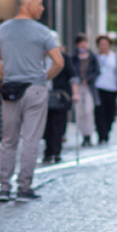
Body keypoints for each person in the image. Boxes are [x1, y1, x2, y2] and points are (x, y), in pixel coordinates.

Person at [0, 0, 63, 202]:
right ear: (28, 4)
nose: (42, 8)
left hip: (11, 89)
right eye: (39, 3)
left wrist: (10, 72)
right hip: (35, 90)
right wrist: (42, 77)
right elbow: (59, 62)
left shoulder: (2, 29)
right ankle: (24, 187)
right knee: (31, 140)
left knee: (8, 140)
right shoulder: (42, 31)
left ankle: (4, 187)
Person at [44, 34, 76, 164]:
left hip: (60, 96)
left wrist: (75, 93)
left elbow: (73, 77)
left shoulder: (64, 58)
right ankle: (48, 151)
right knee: (46, 125)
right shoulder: (41, 58)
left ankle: (56, 151)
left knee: (58, 125)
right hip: (44, 95)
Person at [92, 35, 117, 144]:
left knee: (110, 112)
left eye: (105, 44)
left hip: (111, 88)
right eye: (101, 44)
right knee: (99, 112)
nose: (103, 46)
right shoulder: (95, 57)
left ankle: (107, 131)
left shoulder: (114, 57)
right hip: (98, 87)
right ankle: (101, 135)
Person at [70, 34, 99, 146]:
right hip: (77, 86)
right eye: (81, 42)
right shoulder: (74, 58)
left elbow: (96, 71)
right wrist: (78, 79)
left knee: (88, 111)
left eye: (84, 42)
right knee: (80, 112)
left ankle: (89, 135)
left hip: (89, 87)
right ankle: (83, 135)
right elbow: (72, 71)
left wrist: (88, 79)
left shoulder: (92, 57)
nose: (83, 44)